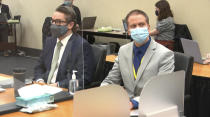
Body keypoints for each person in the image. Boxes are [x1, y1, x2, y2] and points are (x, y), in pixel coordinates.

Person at [101, 9, 174, 109]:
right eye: (133, 26)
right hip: (125, 106)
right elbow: (111, 80)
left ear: (148, 27)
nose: (138, 28)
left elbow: (161, 89)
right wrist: (100, 94)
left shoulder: (165, 54)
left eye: (141, 24)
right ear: (128, 31)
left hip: (151, 107)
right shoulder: (123, 51)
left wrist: (133, 103)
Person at [34, 6, 95, 89]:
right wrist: (40, 81)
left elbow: (84, 78)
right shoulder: (49, 41)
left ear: (70, 25)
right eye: (53, 21)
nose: (54, 25)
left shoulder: (81, 45)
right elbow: (39, 67)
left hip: (62, 90)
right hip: (43, 87)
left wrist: (58, 85)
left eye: (58, 22)